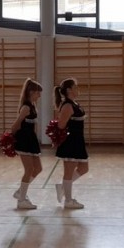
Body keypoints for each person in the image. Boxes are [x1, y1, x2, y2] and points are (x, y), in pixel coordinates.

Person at [54, 78, 88, 209]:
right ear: (69, 90)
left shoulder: (74, 103)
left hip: (78, 141)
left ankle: (62, 187)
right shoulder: (67, 105)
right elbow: (61, 125)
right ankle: (68, 200)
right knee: (68, 171)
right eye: (76, 87)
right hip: (70, 142)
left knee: (84, 168)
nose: (78, 89)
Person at [10, 78, 43, 209]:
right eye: (38, 93)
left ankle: (20, 192)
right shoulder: (25, 107)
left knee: (38, 168)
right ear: (31, 92)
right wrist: (10, 139)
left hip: (31, 140)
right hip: (24, 140)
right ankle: (21, 200)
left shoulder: (33, 106)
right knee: (29, 169)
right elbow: (15, 126)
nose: (39, 95)